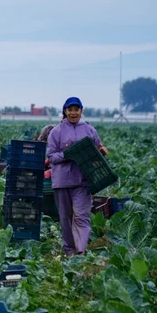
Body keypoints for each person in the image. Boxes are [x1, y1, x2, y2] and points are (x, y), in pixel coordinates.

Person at [47, 97, 109, 257]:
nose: (73, 113)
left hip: (83, 181)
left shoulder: (89, 130)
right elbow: (51, 157)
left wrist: (102, 151)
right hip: (62, 181)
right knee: (66, 218)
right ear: (65, 111)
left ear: (81, 111)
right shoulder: (56, 132)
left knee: (82, 216)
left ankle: (80, 251)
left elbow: (98, 149)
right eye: (70, 110)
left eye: (76, 109)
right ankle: (69, 251)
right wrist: (67, 155)